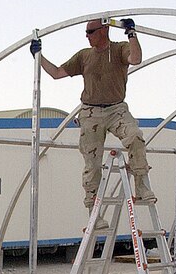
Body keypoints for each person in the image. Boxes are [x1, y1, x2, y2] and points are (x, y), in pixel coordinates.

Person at [31, 18, 154, 229]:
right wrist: (38, 56)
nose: (87, 36)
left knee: (135, 137)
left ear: (104, 30)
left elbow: (136, 59)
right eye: (86, 33)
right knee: (92, 163)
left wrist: (131, 33)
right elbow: (57, 73)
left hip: (116, 108)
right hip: (90, 112)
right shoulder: (84, 56)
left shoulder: (118, 50)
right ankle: (93, 214)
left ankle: (141, 187)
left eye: (91, 32)